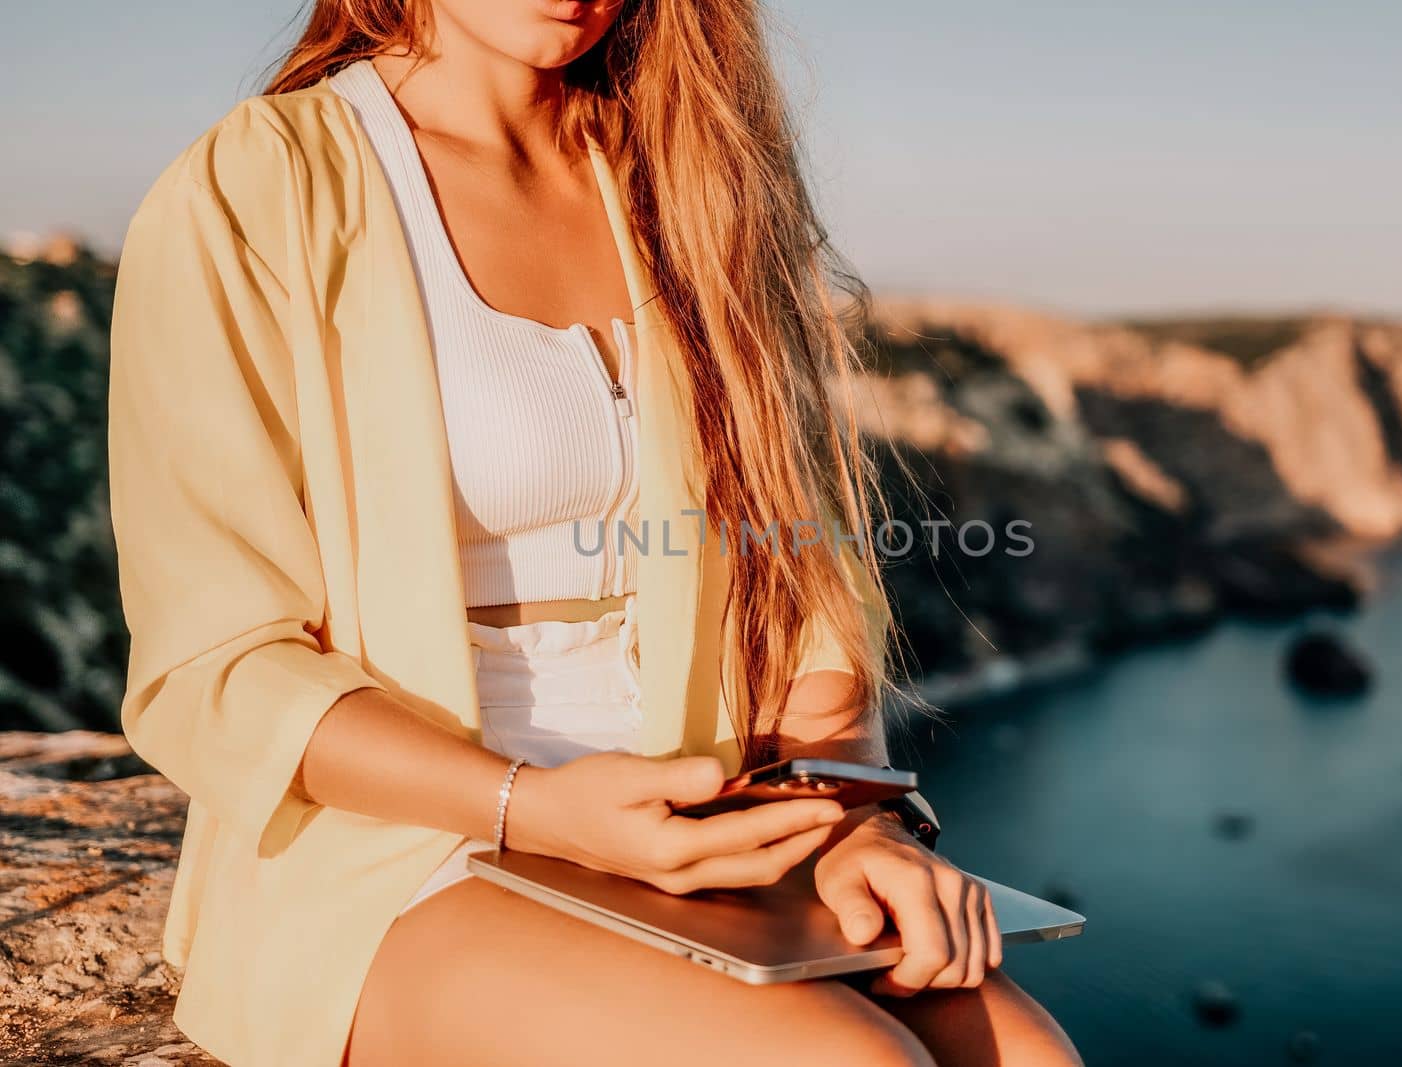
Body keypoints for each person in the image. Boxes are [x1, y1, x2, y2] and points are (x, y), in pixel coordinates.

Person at [106, 1, 1082, 1064]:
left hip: (703, 815)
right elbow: (217, 662)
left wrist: (853, 818)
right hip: (395, 834)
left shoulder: (686, 171)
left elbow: (805, 582)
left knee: (1028, 1055)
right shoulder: (257, 188)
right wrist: (536, 807)